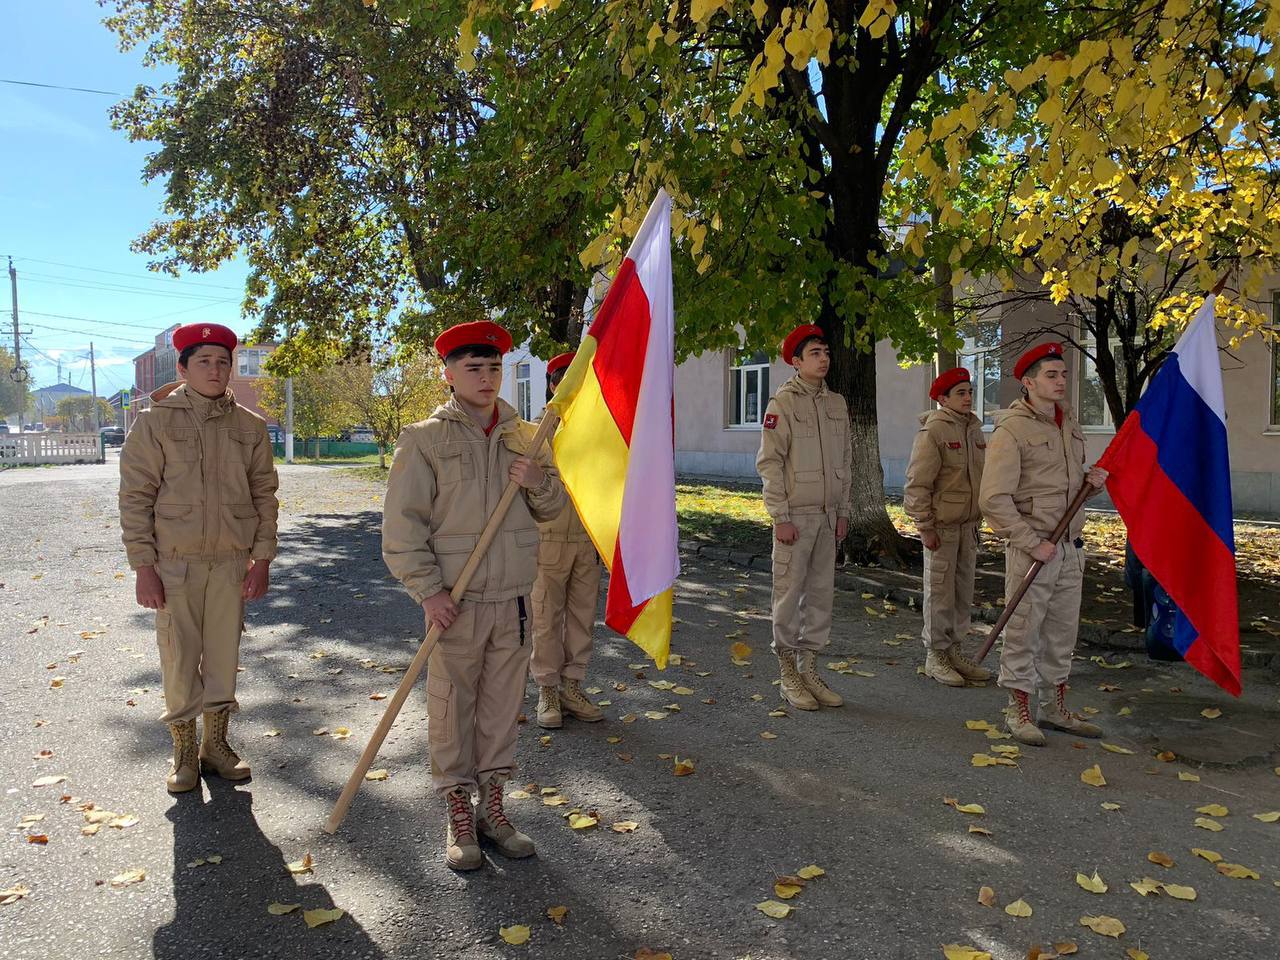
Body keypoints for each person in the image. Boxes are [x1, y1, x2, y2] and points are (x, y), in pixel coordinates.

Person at [382, 321, 567, 871]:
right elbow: (402, 530)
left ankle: (494, 808)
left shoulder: (528, 436)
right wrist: (428, 592)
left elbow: (552, 509)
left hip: (511, 598)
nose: (486, 378)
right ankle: (457, 810)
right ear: (449, 374)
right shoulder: (424, 440)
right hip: (454, 602)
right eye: (474, 368)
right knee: (452, 706)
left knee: (501, 708)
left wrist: (539, 480)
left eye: (494, 368)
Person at [119, 323, 279, 792]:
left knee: (225, 658)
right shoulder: (155, 423)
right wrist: (143, 567)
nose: (216, 370)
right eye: (204, 361)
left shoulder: (249, 428)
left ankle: (217, 746)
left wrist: (262, 559)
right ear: (184, 368)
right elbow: (135, 498)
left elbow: (264, 496)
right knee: (179, 658)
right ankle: (185, 753)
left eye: (223, 361)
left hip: (231, 564)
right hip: (175, 565)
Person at [979, 342, 1108, 745]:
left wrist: (1091, 485)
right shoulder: (1012, 430)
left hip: (1070, 546)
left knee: (1062, 632)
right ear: (1029, 382)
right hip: (1033, 549)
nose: (1061, 382)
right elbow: (993, 499)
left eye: (1064, 374)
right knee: (1024, 630)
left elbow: (1063, 486)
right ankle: (1019, 709)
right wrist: (1030, 542)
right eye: (1051, 375)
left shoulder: (1067, 421)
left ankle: (1054, 708)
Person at [756, 324, 850, 711]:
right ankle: (788, 674)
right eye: (815, 353)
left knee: (821, 596)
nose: (823, 359)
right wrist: (780, 516)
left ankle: (810, 668)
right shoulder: (783, 404)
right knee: (789, 595)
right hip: (796, 515)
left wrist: (843, 511)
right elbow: (770, 463)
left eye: (826, 352)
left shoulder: (837, 404)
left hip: (828, 518)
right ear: (796, 361)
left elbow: (846, 459)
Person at [903, 367, 993, 687]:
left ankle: (955, 650)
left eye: (970, 392)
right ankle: (935, 655)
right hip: (941, 527)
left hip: (968, 526)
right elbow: (917, 484)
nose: (968, 398)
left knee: (962, 592)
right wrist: (924, 525)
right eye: (960, 393)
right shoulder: (934, 431)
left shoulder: (973, 430)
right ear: (943, 399)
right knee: (939, 593)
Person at [530, 352, 605, 729]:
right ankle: (547, 688)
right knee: (546, 617)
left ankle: (573, 686)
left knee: (582, 617)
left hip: (586, 539)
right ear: (554, 385)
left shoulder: (599, 432)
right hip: (548, 540)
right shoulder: (537, 432)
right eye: (566, 382)